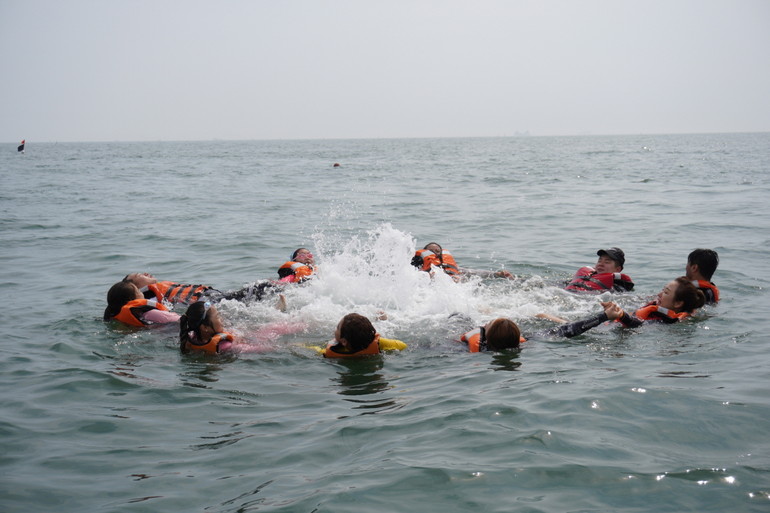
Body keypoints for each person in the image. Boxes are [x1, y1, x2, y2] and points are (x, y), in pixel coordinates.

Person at [179, 301, 299, 354]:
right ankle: (285, 316)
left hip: (241, 336)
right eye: (218, 317)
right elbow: (265, 349)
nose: (222, 319)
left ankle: (279, 312)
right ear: (205, 328)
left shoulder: (191, 338)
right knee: (272, 329)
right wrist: (293, 346)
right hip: (254, 340)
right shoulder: (226, 346)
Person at [411, 242, 514, 280]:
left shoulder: (456, 269)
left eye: (438, 251)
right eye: (431, 251)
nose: (436, 253)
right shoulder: (420, 273)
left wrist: (497, 274)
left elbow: (476, 273)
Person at [320, 313, 407, 358]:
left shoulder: (331, 353)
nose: (335, 330)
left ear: (344, 341)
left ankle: (381, 319)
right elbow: (403, 346)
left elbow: (316, 350)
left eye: (337, 328)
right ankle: (380, 318)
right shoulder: (379, 345)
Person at [103, 281, 181, 327]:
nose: (142, 292)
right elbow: (180, 321)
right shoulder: (149, 313)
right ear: (132, 299)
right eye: (138, 291)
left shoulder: (117, 318)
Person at [123, 272, 223, 304]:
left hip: (209, 295)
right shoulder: (149, 296)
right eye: (139, 275)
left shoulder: (159, 288)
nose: (145, 273)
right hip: (206, 300)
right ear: (135, 287)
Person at [565, 247, 634, 293]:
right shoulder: (586, 275)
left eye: (607, 262)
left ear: (617, 269)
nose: (601, 264)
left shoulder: (616, 287)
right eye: (599, 261)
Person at [460, 318, 526, 352]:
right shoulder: (518, 344)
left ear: (488, 336)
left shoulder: (480, 346)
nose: (485, 324)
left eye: (489, 324)